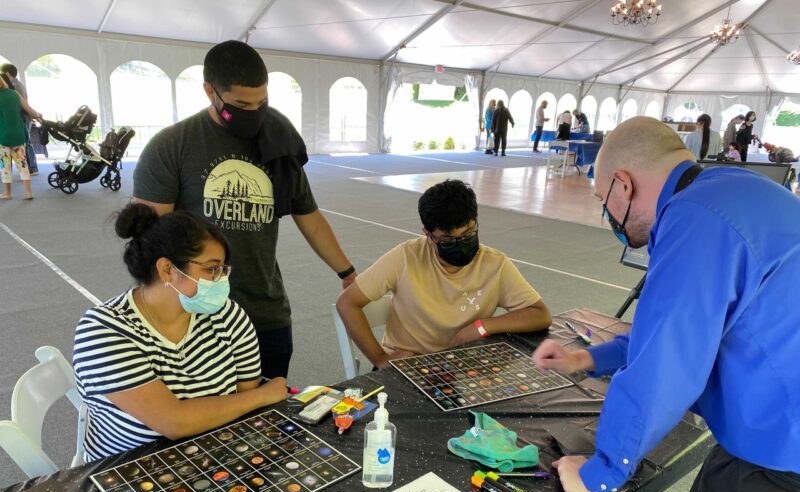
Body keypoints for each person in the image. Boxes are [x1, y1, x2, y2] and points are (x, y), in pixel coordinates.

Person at [533, 116, 800, 492]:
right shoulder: (732, 192)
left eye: (602, 201)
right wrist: (588, 360)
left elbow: (666, 368)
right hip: (772, 441)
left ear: (622, 183)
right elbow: (685, 329)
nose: (607, 215)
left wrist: (599, 474)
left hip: (782, 465)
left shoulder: (694, 218)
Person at [133, 40, 356, 380]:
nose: (252, 113)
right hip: (195, 315)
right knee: (206, 423)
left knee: (267, 418)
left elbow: (308, 216)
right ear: (210, 91)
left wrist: (347, 272)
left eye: (261, 103)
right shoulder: (172, 146)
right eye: (240, 104)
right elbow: (150, 240)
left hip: (265, 313)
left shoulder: (279, 140)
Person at [73, 204, 288, 461]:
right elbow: (173, 422)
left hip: (212, 457)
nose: (222, 280)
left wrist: (254, 398)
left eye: (223, 270)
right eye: (211, 269)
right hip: (126, 471)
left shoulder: (227, 315)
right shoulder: (104, 331)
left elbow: (245, 399)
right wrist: (265, 394)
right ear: (167, 269)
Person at [336, 179, 552, 368]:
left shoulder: (494, 264)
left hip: (461, 365)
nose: (461, 243)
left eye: (468, 233)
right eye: (448, 239)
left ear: (476, 220)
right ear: (428, 234)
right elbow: (347, 303)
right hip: (408, 362)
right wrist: (379, 357)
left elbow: (540, 314)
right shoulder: (405, 257)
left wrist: (482, 326)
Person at [0, 73, 41, 200]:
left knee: (5, 166)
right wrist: (37, 114)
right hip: (18, 135)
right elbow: (29, 110)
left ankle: (7, 193)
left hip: (2, 136)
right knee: (23, 164)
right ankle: (29, 192)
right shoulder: (14, 94)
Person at [0, 64, 38, 176]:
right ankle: (28, 172)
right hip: (20, 121)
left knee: (25, 143)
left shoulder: (14, 88)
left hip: (21, 119)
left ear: (6, 74)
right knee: (23, 146)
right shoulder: (16, 87)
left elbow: (23, 105)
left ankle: (32, 167)